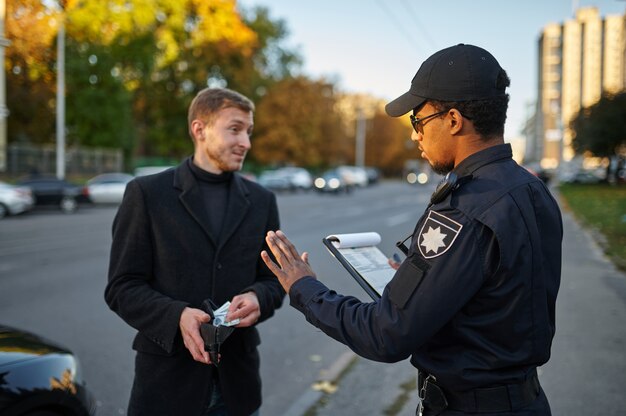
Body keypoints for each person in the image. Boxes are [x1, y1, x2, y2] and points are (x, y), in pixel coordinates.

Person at [261, 44, 562, 415]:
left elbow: (385, 334)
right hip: (525, 399)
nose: (416, 136)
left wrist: (304, 287)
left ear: (453, 120)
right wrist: (422, 283)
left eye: (418, 121)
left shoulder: (463, 208)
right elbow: (497, 298)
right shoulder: (531, 189)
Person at [105, 87, 284, 416]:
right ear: (199, 129)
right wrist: (176, 317)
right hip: (166, 387)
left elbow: (273, 282)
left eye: (248, 131)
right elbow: (122, 286)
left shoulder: (262, 201)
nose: (245, 142)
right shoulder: (147, 194)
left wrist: (260, 297)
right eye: (234, 129)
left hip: (237, 388)